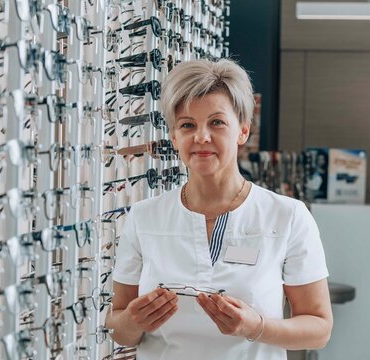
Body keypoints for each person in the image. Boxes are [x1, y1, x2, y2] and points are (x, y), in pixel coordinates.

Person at [106, 59, 333, 360]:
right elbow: (118, 326)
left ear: (242, 131)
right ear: (174, 138)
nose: (201, 137)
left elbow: (319, 329)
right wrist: (131, 322)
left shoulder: (288, 216)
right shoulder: (144, 217)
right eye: (187, 125)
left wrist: (257, 328)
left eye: (217, 122)